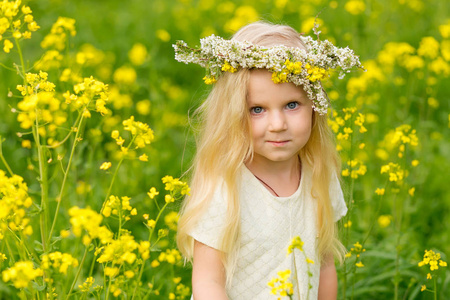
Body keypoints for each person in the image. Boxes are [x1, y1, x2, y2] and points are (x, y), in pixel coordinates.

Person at [173, 21, 363, 300]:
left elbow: (323, 265)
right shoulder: (225, 187)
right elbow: (207, 284)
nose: (277, 124)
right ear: (233, 114)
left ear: (315, 107)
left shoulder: (318, 175)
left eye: (292, 105)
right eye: (257, 109)